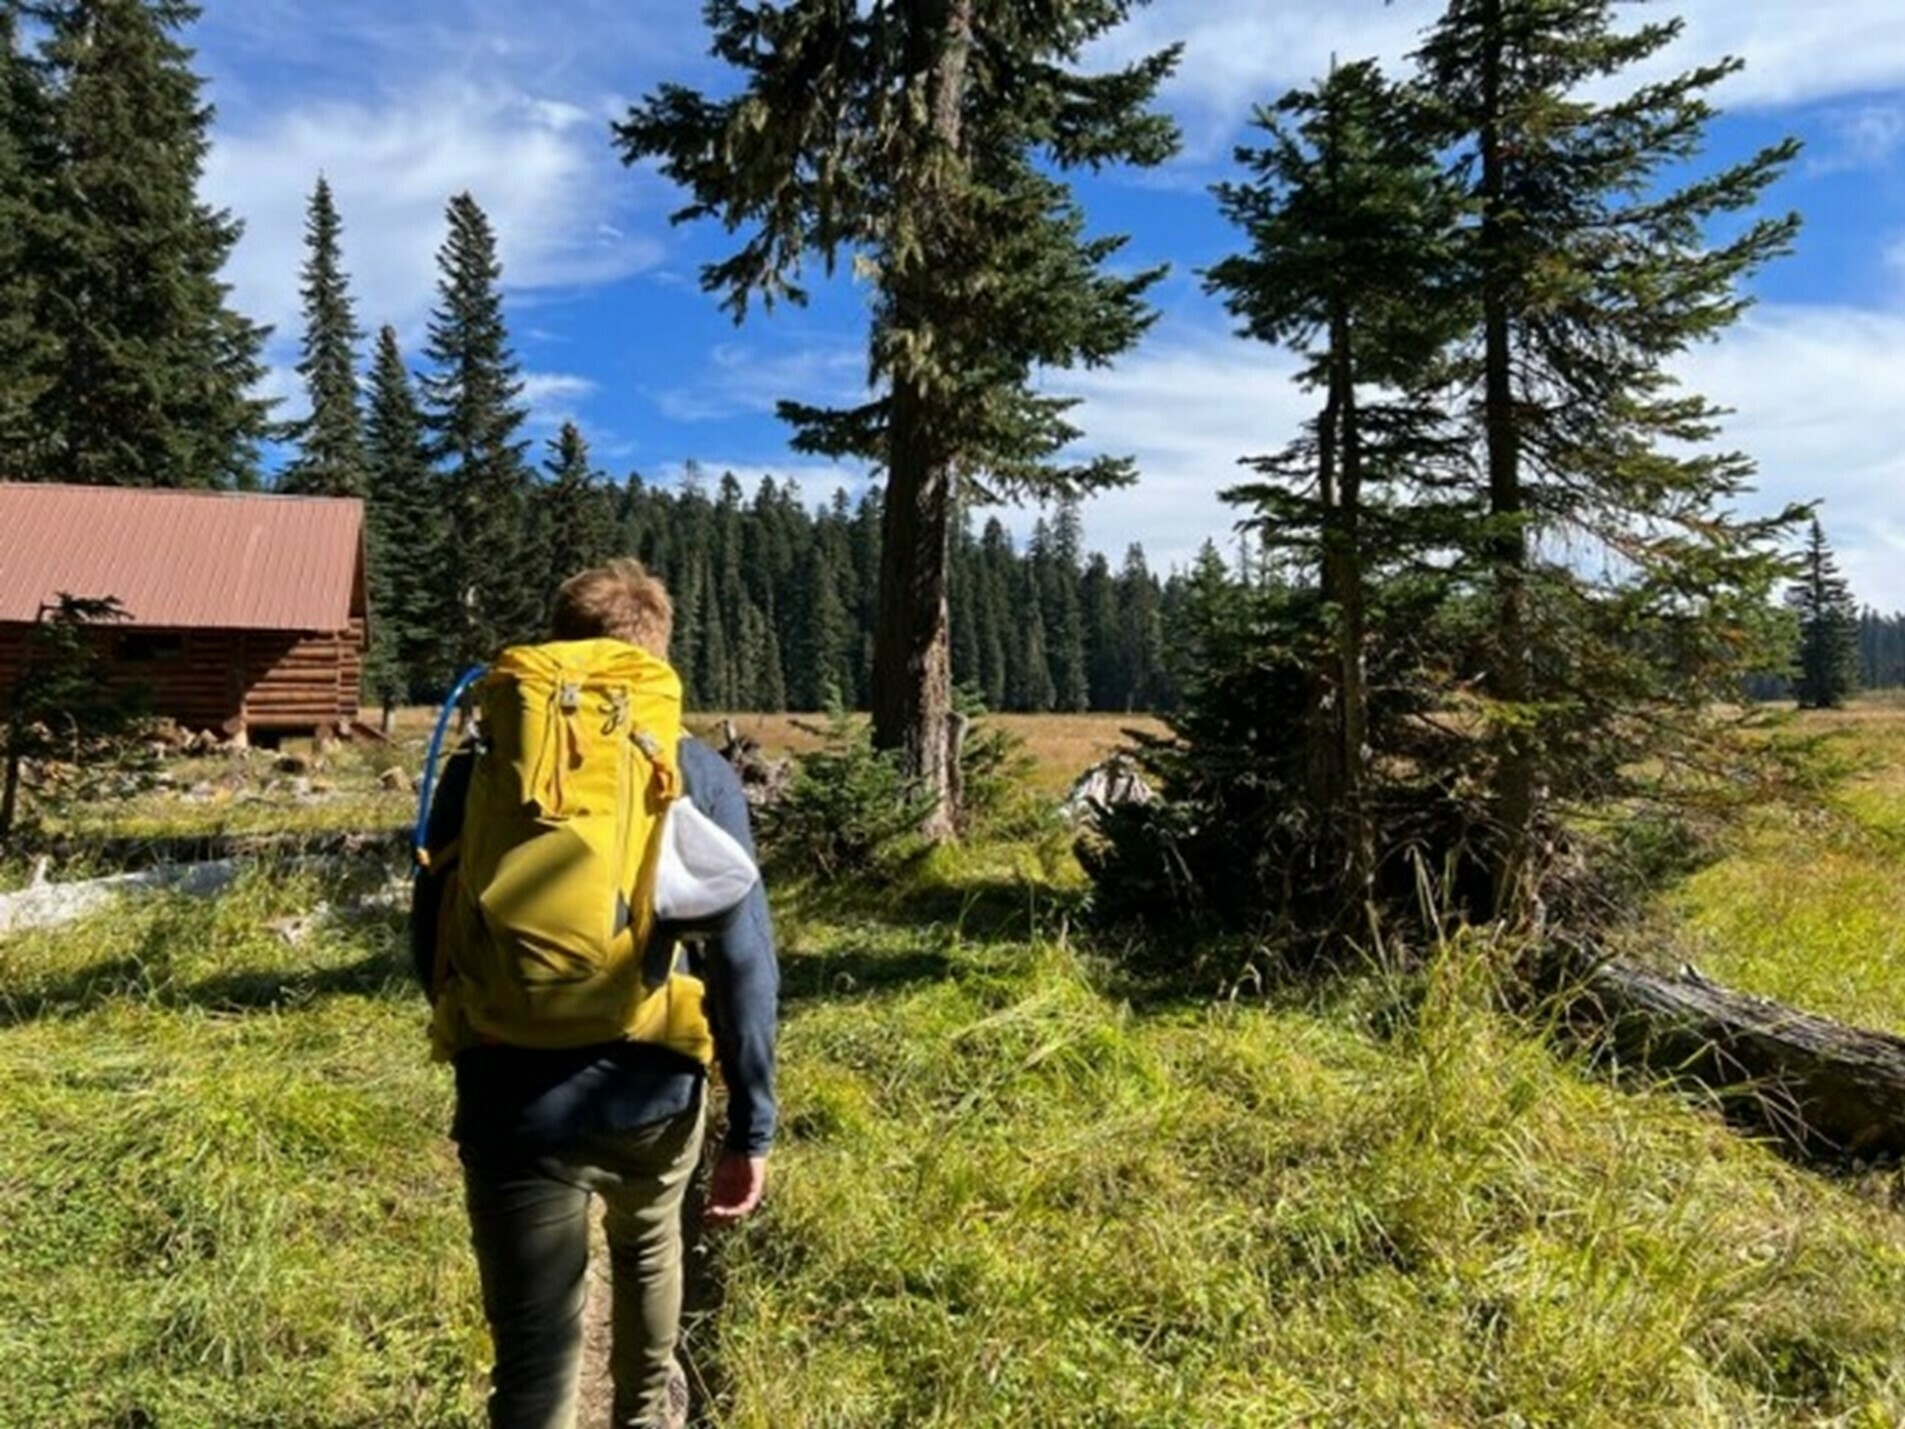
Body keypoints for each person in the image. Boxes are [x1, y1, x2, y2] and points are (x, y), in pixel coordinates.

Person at [413, 558, 779, 1429]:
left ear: (553, 645)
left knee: (534, 1362)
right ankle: (647, 1413)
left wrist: (483, 1027)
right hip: (651, 1088)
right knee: (650, 1245)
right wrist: (752, 1121)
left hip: (511, 1091)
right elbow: (741, 958)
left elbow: (427, 941)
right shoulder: (693, 766)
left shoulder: (487, 765)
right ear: (653, 655)